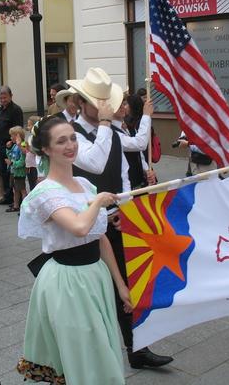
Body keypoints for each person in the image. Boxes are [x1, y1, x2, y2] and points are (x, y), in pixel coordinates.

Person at [68, 67, 173, 369]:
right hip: (85, 227)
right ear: (80, 102)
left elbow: (124, 175)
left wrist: (123, 208)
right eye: (97, 101)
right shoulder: (70, 134)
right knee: (94, 291)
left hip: (115, 221)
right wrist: (104, 123)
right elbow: (95, 164)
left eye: (106, 101)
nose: (106, 107)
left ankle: (136, 348)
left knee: (125, 285)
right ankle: (92, 352)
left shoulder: (110, 132)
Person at [17, 116, 132, 385]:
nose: (70, 145)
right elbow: (79, 227)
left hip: (96, 276)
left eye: (72, 138)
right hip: (67, 281)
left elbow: (99, 238)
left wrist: (120, 286)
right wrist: (99, 203)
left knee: (101, 347)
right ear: (46, 149)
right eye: (61, 141)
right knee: (84, 354)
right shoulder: (45, 191)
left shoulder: (84, 184)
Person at [0, 86, 24, 206]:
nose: (3, 100)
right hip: (0, 145)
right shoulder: (0, 110)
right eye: (1, 98)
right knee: (3, 171)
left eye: (5, 97)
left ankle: (15, 197)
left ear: (11, 96)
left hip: (11, 145)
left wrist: (16, 142)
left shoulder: (16, 110)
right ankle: (7, 195)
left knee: (12, 172)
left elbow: (19, 129)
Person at [5, 126, 27, 212]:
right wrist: (8, 148)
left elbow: (23, 160)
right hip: (13, 171)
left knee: (22, 190)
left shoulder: (23, 144)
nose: (10, 138)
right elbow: (10, 156)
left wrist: (13, 163)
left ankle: (24, 207)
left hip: (19, 172)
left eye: (12, 135)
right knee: (15, 189)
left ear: (17, 136)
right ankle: (16, 205)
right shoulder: (14, 146)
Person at [26, 116, 41, 191]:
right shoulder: (30, 137)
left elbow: (36, 151)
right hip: (29, 165)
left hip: (35, 165)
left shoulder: (37, 138)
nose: (27, 127)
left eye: (29, 125)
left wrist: (28, 148)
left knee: (36, 184)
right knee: (31, 184)